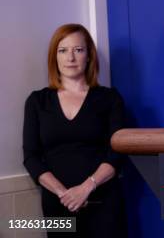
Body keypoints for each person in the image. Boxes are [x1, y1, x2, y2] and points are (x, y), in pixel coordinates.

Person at [23, 23, 127, 237]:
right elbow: (31, 157)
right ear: (55, 57)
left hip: (103, 204)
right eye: (63, 50)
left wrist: (86, 188)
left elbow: (116, 154)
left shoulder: (109, 98)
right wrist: (65, 194)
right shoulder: (37, 101)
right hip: (57, 206)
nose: (70, 58)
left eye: (78, 50)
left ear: (89, 56)